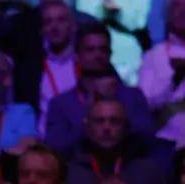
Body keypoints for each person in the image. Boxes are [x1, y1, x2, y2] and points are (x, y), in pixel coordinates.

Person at [44, 22, 154, 153]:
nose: (98, 55)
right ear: (77, 56)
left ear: (110, 54)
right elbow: (56, 148)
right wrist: (91, 105)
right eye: (90, 50)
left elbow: (146, 139)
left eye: (103, 49)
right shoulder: (60, 104)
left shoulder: (133, 97)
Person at [61, 99, 168, 184]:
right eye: (99, 121)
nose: (107, 128)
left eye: (115, 121)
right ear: (87, 127)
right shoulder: (68, 172)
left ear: (126, 127)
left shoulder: (148, 170)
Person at [138, 0, 185, 149]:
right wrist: (174, 79)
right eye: (177, 5)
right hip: (166, 144)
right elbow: (144, 103)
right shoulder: (154, 56)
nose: (183, 11)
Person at [35, 0, 78, 137]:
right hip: (45, 141)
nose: (54, 27)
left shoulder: (85, 62)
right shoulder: (33, 69)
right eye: (48, 22)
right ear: (42, 29)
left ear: (72, 26)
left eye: (61, 20)